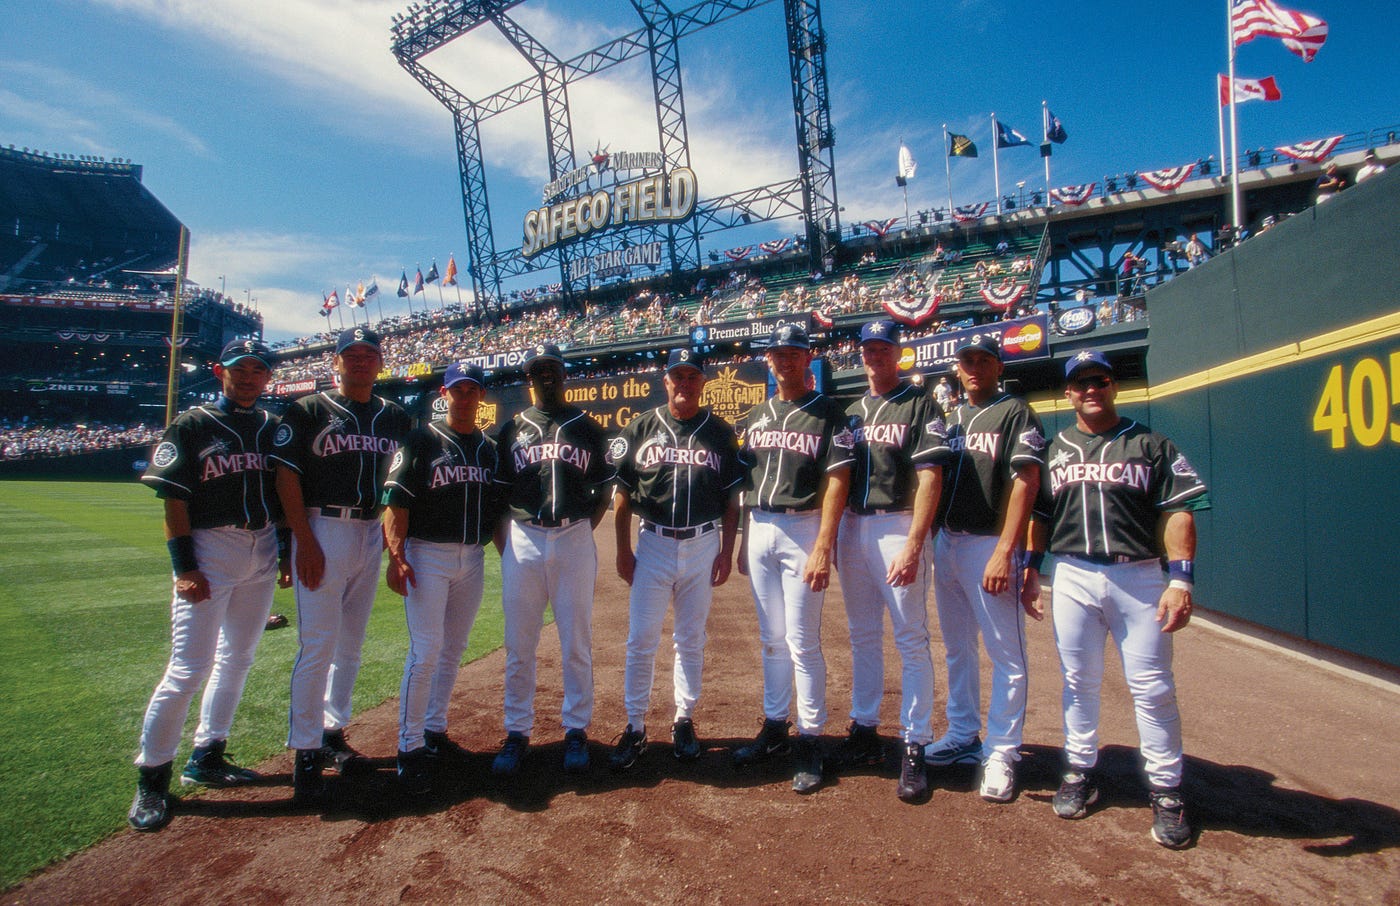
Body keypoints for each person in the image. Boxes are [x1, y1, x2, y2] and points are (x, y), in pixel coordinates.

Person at [1022, 349, 1209, 849]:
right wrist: (1030, 572)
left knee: (1152, 687)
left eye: (1098, 380)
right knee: (1077, 681)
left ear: (1113, 386)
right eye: (1080, 383)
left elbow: (1179, 512)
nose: (1089, 390)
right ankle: (1079, 770)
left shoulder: (1150, 443)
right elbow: (1040, 519)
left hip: (1140, 576)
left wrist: (1181, 579)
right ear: (1068, 392)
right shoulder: (1053, 450)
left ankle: (1167, 790)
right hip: (1074, 574)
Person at [129, 339, 290, 831]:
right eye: (239, 369)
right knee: (187, 669)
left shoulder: (270, 427)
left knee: (238, 658)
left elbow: (282, 494)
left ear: (267, 378)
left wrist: (284, 553)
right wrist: (184, 568)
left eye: (257, 371)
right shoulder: (193, 424)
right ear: (221, 371)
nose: (248, 378)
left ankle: (208, 753)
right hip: (210, 550)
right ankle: (151, 780)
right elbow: (173, 501)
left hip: (260, 547)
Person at [272, 327, 411, 804]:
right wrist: (301, 541)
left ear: (380, 363)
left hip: (369, 530)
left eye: (368, 355)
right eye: (350, 355)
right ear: (336, 363)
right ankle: (306, 748)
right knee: (317, 645)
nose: (359, 362)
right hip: (323, 526)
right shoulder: (308, 410)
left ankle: (333, 731)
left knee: (350, 645)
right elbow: (285, 476)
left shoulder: (394, 417)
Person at [606, 349, 747, 770]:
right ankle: (634, 726)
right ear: (665, 382)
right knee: (641, 639)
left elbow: (732, 499)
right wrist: (622, 549)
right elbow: (622, 494)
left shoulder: (720, 433)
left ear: (702, 383)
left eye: (691, 377)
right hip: (653, 543)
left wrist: (725, 549)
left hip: (703, 543)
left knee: (691, 639)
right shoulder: (641, 427)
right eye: (677, 377)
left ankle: (683, 718)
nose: (684, 384)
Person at [733, 324, 854, 794]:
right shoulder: (757, 416)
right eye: (778, 354)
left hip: (804, 529)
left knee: (803, 641)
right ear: (769, 361)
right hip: (760, 525)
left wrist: (824, 544)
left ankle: (810, 737)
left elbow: (838, 483)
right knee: (771, 638)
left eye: (794, 353)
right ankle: (774, 726)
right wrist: (744, 538)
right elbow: (746, 482)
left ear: (809, 359)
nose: (785, 360)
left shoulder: (829, 414)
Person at [929, 336, 1045, 803]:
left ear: (998, 366)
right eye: (967, 361)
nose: (974, 367)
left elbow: (1027, 482)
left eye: (983, 360)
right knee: (957, 649)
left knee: (1006, 656)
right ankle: (962, 734)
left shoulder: (1016, 411)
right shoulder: (949, 418)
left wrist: (1006, 550)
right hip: (948, 542)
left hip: (988, 546)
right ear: (957, 369)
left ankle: (1001, 751)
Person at [834, 321, 944, 802]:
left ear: (898, 353)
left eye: (884, 348)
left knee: (910, 637)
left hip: (897, 524)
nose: (875, 356)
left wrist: (916, 542)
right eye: (869, 349)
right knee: (861, 635)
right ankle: (863, 726)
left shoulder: (919, 402)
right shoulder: (853, 411)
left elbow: (930, 477)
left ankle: (915, 741)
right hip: (853, 527)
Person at [491, 343, 613, 777]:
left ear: (564, 376)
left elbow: (603, 493)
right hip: (524, 535)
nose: (546, 376)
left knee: (575, 641)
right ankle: (516, 731)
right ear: (529, 378)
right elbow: (498, 498)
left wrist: (582, 531)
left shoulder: (588, 427)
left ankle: (576, 729)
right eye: (538, 370)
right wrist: (511, 546)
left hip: (574, 534)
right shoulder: (511, 430)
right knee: (519, 644)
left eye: (553, 370)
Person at [382, 362, 501, 795]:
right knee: (426, 651)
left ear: (481, 396)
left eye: (472, 390)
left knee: (454, 649)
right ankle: (409, 746)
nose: (465, 397)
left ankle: (433, 730)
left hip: (472, 557)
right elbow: (394, 500)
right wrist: (397, 557)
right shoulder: (421, 439)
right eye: (457, 390)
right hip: (427, 554)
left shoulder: (488, 448)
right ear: (444, 395)